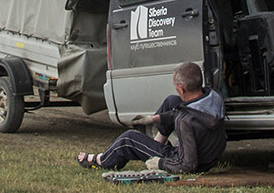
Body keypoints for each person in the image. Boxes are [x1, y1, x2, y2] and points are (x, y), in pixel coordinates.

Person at [76, 62, 226, 174]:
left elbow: (189, 165)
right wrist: (154, 119)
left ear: (182, 88)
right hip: (209, 154)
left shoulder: (184, 121)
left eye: (175, 85)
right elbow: (188, 112)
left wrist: (160, 163)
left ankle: (102, 160)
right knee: (172, 101)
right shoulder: (213, 96)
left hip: (192, 161)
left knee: (129, 139)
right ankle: (155, 145)